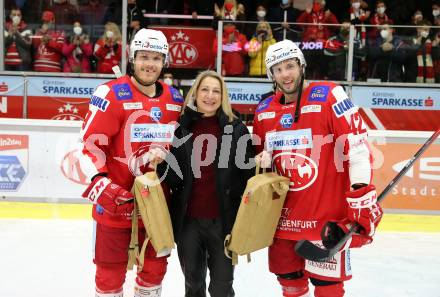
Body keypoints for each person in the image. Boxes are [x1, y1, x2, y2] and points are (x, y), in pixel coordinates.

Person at [253, 39, 383, 297]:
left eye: (289, 66)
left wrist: (359, 197)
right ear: (271, 75)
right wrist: (261, 163)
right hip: (283, 222)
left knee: (328, 290)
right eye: (277, 69)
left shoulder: (329, 94)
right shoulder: (264, 110)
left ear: (301, 65)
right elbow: (261, 161)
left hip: (325, 222)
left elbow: (357, 148)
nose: (285, 75)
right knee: (290, 285)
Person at [79, 28, 184, 297]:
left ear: (165, 62)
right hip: (118, 204)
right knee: (109, 277)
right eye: (144, 56)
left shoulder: (175, 99)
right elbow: (88, 145)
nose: (150, 64)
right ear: (131, 57)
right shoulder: (111, 93)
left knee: (154, 274)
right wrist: (99, 184)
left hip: (156, 207)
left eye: (156, 58)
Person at [157, 70, 254, 297]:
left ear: (223, 96)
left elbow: (247, 175)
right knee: (193, 284)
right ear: (196, 93)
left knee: (222, 287)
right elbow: (174, 177)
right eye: (205, 89)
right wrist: (161, 164)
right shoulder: (182, 128)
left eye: (216, 91)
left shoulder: (237, 129)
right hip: (189, 223)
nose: (210, 96)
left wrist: (259, 164)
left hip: (223, 223)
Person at [4, 7, 32, 71]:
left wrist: (16, 32)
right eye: (14, 15)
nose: (16, 17)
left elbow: (27, 45)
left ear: (21, 16)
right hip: (5, 63)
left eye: (18, 15)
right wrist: (10, 34)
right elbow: (3, 44)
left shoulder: (26, 28)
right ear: (10, 16)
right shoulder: (4, 27)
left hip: (21, 64)